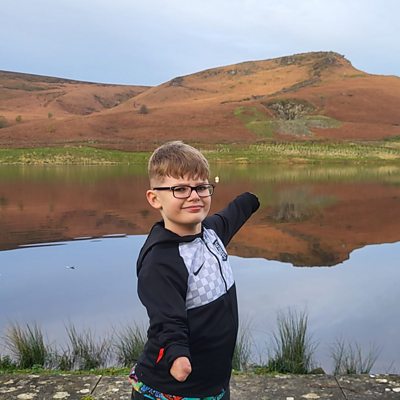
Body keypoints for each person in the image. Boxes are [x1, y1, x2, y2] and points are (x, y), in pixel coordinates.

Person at [130, 141, 260, 399]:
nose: (194, 196)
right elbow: (166, 320)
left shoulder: (211, 233)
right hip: (170, 390)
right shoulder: (160, 262)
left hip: (213, 387)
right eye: (180, 189)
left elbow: (232, 214)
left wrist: (251, 200)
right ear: (154, 198)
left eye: (201, 187)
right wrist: (177, 354)